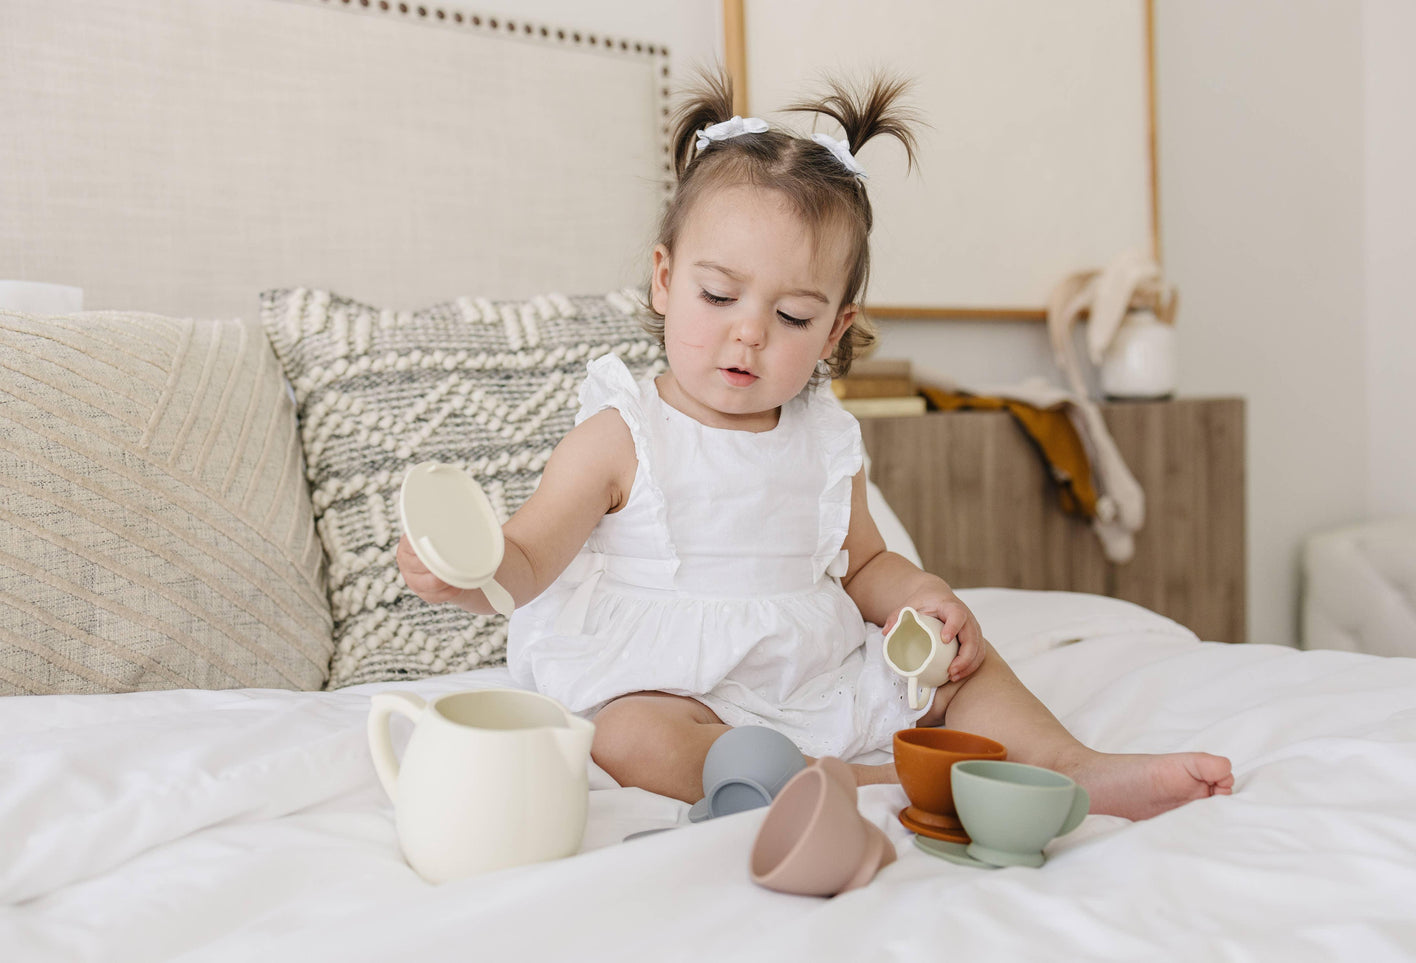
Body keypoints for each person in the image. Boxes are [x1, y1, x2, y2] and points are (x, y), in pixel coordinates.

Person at [397, 71, 1233, 820]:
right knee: (629, 737)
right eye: (718, 294)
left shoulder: (824, 440)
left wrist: (925, 595)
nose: (749, 333)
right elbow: (530, 559)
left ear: (835, 330)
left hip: (805, 664)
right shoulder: (621, 434)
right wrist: (469, 572)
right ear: (662, 278)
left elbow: (863, 564)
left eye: (792, 316)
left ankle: (1067, 766)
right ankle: (846, 781)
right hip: (674, 685)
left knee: (961, 669)